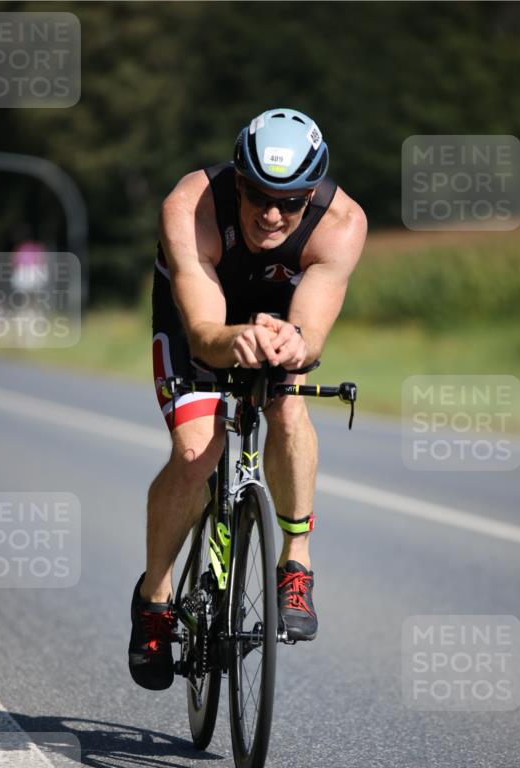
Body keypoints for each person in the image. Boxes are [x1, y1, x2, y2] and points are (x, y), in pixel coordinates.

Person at [129, 107, 367, 690]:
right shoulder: (191, 207)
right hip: (198, 318)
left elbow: (312, 333)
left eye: (291, 202)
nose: (271, 214)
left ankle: (296, 561)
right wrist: (236, 338)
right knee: (196, 453)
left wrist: (294, 343)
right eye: (258, 195)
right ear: (238, 181)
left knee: (288, 403)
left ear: (312, 194)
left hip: (278, 316)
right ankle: (154, 599)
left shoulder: (341, 224)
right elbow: (204, 335)